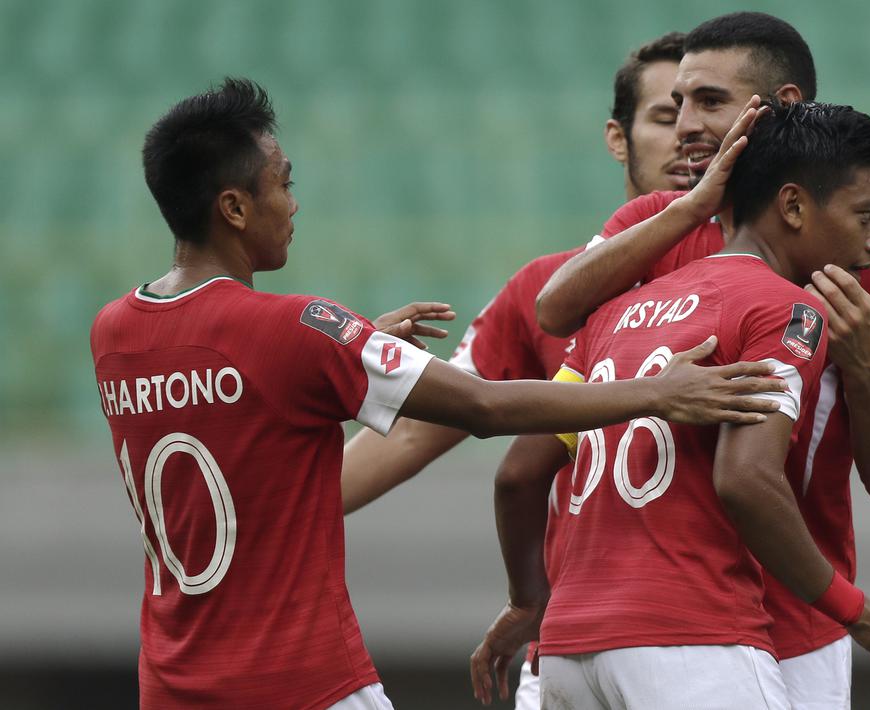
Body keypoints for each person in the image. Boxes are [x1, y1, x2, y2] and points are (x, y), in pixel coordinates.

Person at [89, 77, 786, 709]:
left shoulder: (114, 331)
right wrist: (657, 392)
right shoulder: (297, 328)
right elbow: (484, 408)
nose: (293, 203)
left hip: (174, 680)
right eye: (282, 183)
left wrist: (349, 352)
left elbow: (242, 407)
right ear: (235, 207)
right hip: (301, 680)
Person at [532, 11, 870, 707]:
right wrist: (693, 206)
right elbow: (551, 315)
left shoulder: (852, 258)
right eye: (675, 106)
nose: (684, 123)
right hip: (678, 612)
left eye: (709, 102)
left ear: (780, 106)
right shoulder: (651, 230)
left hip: (788, 618)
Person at [476, 101, 870, 709]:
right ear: (792, 206)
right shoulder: (787, 310)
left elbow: (519, 475)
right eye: (865, 214)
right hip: (690, 640)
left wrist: (528, 600)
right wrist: (856, 609)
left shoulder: (614, 310)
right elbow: (746, 480)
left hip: (568, 650)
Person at [339, 33, 687, 710]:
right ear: (618, 138)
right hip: (574, 644)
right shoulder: (546, 292)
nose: (689, 137)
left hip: (716, 631)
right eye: (665, 118)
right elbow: (413, 434)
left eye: (706, 114)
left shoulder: (764, 287)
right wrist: (257, 514)